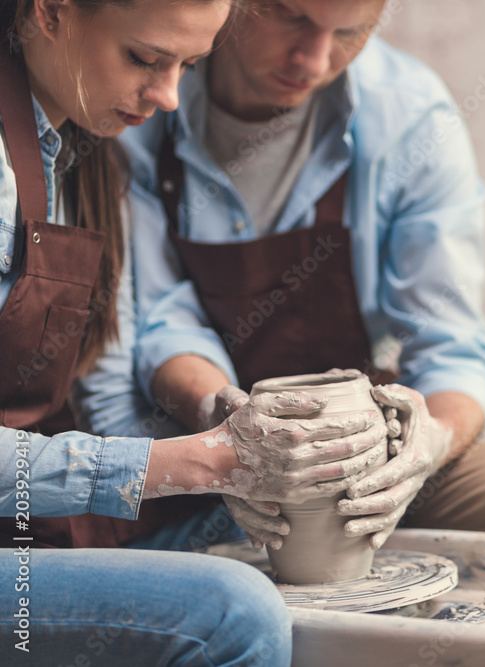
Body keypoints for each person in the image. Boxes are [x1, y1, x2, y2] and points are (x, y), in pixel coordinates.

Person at [79, 0, 485, 553]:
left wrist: (422, 449)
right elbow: (156, 322)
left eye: (350, 31)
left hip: (362, 460)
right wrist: (229, 424)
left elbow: (452, 351)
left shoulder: (410, 117)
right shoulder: (145, 95)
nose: (314, 58)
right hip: (201, 446)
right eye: (292, 17)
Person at [0, 1, 385, 664]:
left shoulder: (82, 143)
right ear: (52, 12)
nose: (170, 96)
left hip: (31, 518)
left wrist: (228, 423)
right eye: (146, 60)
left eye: (189, 65)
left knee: (251, 527)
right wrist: (198, 462)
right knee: (234, 612)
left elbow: (123, 358)